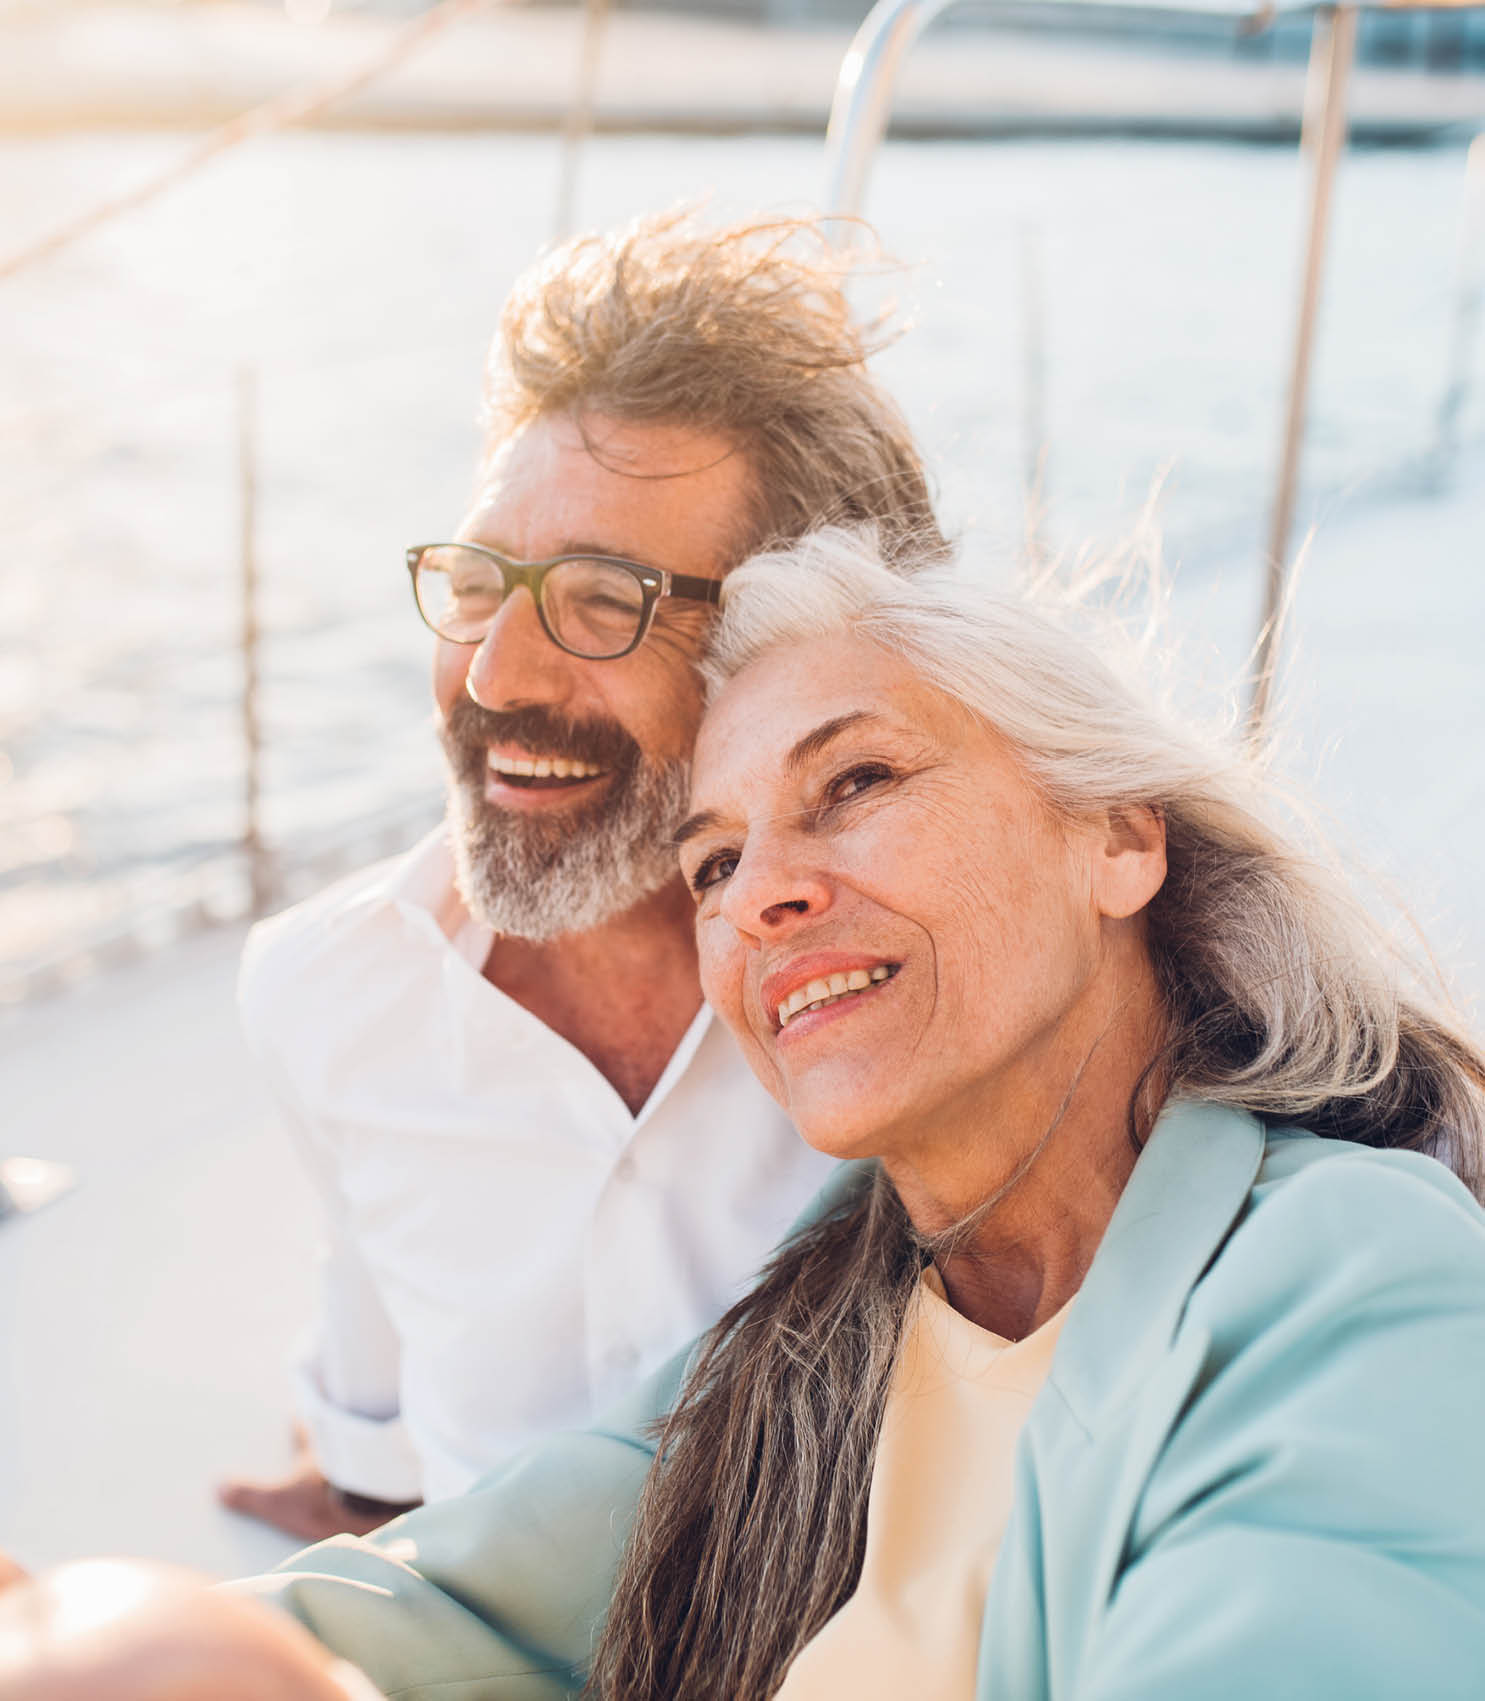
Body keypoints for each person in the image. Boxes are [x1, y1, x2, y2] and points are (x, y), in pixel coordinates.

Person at [6, 527, 1485, 1701]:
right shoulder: (820, 1331)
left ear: (1115, 838)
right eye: (712, 862)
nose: (764, 892)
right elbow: (455, 1604)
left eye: (857, 779)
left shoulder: (1357, 1280)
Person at [217, 213, 947, 1540]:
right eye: (478, 583)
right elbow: (383, 1464)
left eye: (603, 600)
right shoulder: (324, 991)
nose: (495, 679)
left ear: (798, 641)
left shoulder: (938, 978)